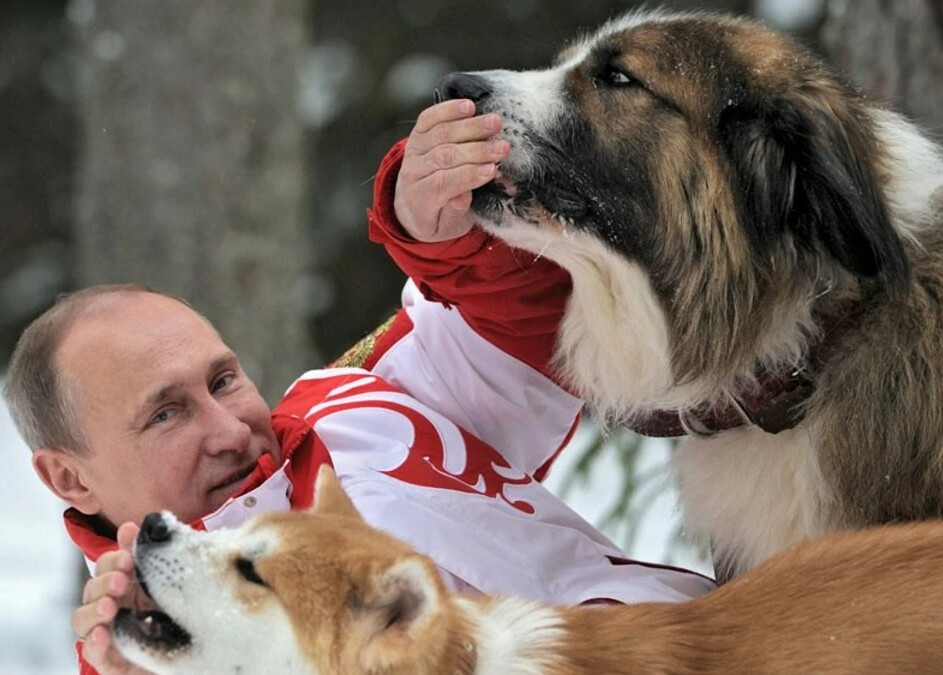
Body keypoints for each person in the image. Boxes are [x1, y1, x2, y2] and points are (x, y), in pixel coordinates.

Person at [4, 99, 713, 675]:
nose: (227, 429)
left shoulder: (354, 404)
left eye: (223, 378)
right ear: (70, 477)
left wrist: (433, 227)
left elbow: (529, 324)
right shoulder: (155, 653)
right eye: (165, 414)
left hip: (720, 643)